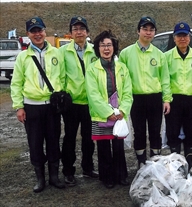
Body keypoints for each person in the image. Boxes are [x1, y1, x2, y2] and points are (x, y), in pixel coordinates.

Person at [10, 16, 65, 192]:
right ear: (28, 35)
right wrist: (19, 106)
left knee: (53, 141)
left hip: (51, 107)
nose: (38, 34)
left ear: (45, 31)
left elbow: (62, 77)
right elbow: (16, 83)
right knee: (35, 143)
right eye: (34, 31)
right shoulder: (23, 57)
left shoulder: (57, 53)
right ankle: (40, 179)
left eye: (40, 30)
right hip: (32, 107)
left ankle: (54, 177)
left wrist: (60, 95)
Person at [118, 16, 172, 168]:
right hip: (136, 98)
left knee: (155, 131)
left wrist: (166, 99)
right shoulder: (126, 54)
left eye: (151, 30)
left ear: (154, 33)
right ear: (138, 31)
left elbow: (165, 79)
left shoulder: (159, 55)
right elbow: (121, 79)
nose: (148, 33)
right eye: (145, 29)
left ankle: (155, 162)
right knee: (139, 132)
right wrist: (123, 100)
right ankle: (141, 162)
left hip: (155, 98)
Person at [85, 30, 133, 189]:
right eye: (102, 45)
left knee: (118, 146)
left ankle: (121, 175)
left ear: (114, 47)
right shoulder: (92, 69)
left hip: (119, 114)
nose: (106, 49)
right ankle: (107, 177)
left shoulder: (122, 68)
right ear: (97, 48)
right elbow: (93, 94)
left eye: (109, 45)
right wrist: (108, 112)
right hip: (101, 115)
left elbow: (127, 91)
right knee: (104, 146)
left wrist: (123, 110)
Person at [59, 16, 99, 186]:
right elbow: (60, 75)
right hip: (72, 104)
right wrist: (63, 94)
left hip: (90, 103)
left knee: (89, 139)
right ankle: (68, 171)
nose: (79, 32)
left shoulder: (94, 51)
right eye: (75, 29)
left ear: (87, 32)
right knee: (69, 138)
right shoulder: (63, 52)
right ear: (70, 33)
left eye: (82, 29)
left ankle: (88, 168)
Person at [164, 22, 192, 170]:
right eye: (179, 36)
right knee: (173, 132)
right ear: (174, 38)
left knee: (190, 131)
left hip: (191, 99)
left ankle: (189, 160)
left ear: (189, 37)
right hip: (174, 99)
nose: (182, 39)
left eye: (185, 35)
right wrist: (166, 99)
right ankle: (176, 162)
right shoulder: (167, 57)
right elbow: (165, 80)